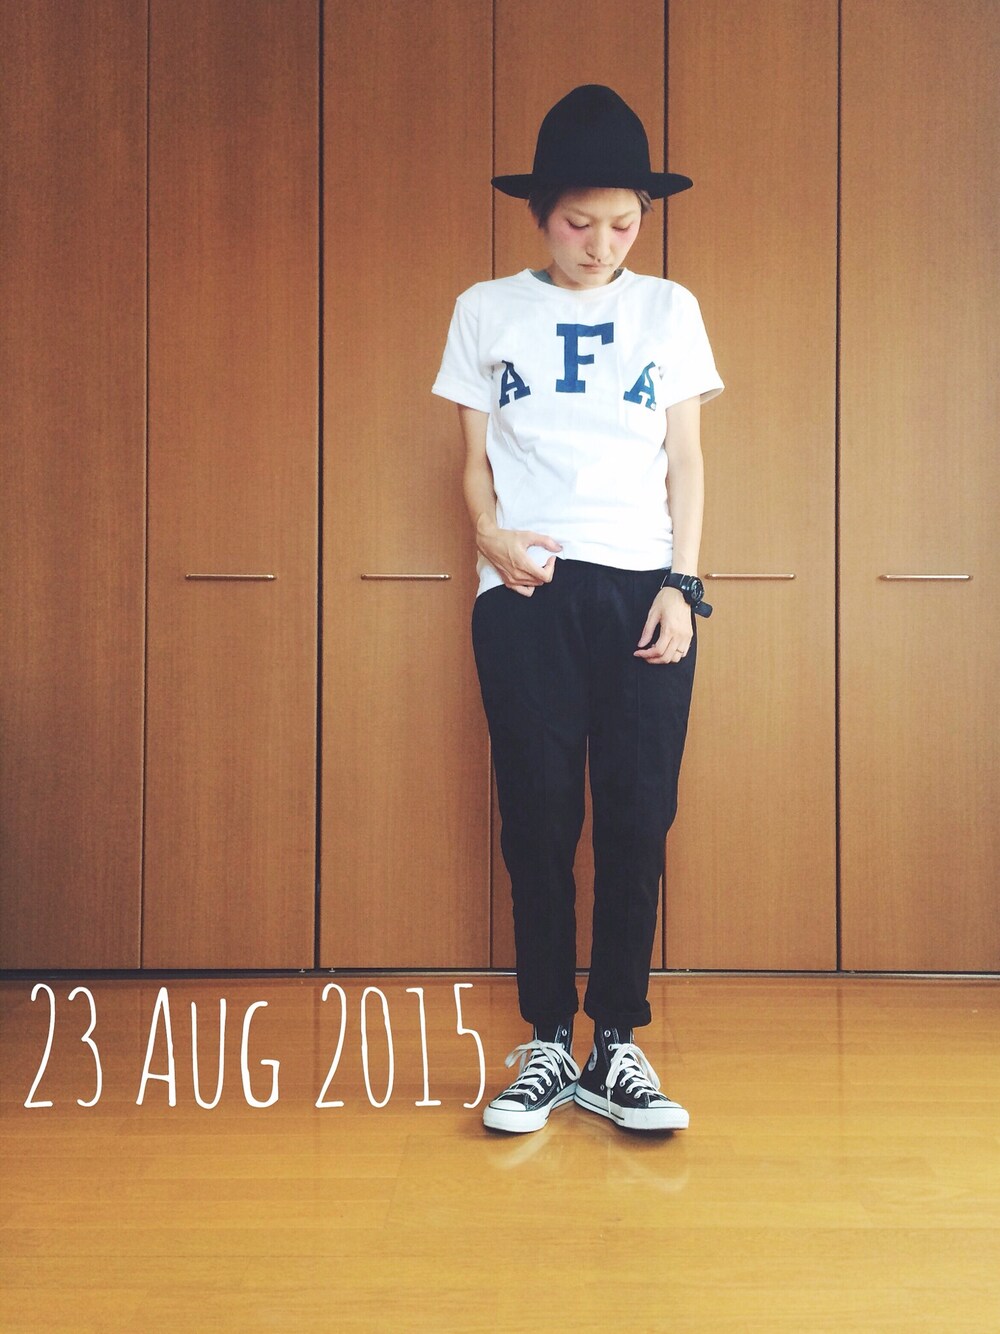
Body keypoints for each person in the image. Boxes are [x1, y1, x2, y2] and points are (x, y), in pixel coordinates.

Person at [432, 85, 723, 1134]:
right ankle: (549, 1038)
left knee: (638, 818)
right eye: (577, 222)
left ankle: (617, 1045)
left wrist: (683, 585)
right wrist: (488, 536)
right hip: (527, 591)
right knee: (540, 817)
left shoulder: (669, 309)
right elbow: (471, 462)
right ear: (539, 213)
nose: (601, 246)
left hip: (643, 588)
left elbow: (686, 461)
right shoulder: (485, 309)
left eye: (623, 224)